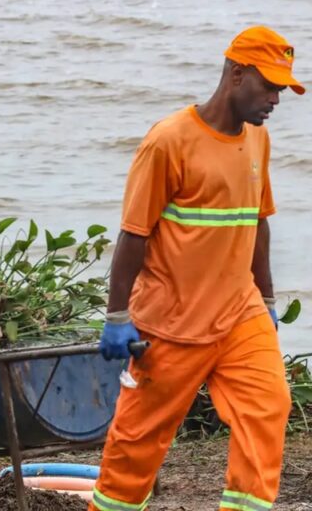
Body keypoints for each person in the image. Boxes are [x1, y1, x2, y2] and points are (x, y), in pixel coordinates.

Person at [92, 26, 304, 511]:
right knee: (135, 449)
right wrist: (117, 316)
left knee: (268, 407)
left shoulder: (258, 140)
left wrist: (267, 301)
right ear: (235, 73)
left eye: (281, 89)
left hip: (238, 315)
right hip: (172, 323)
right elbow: (133, 234)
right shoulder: (169, 141)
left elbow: (258, 222)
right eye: (268, 85)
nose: (275, 98)